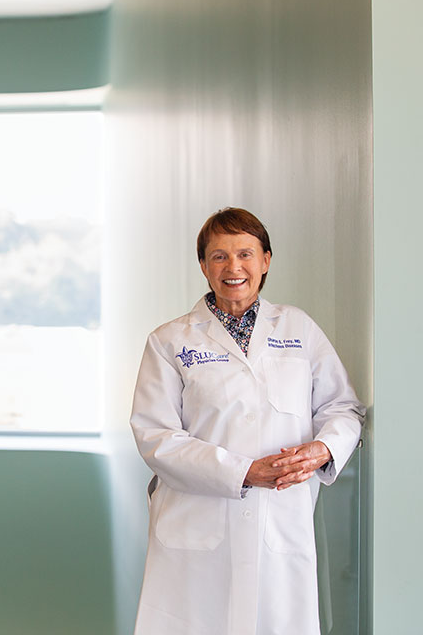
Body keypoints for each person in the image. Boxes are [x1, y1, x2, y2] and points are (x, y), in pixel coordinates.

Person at [129, 207, 364, 635]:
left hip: (281, 518)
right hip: (197, 523)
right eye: (218, 256)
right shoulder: (169, 342)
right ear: (203, 265)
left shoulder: (299, 329)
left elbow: (343, 409)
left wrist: (323, 448)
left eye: (245, 254)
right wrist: (244, 472)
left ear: (266, 261)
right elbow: (155, 436)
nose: (233, 267)